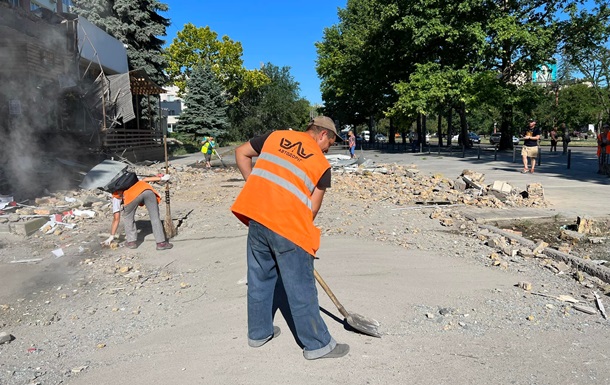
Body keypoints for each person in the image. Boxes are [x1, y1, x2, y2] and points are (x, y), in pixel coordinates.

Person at [230, 116, 349, 360]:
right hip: (288, 227)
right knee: (301, 286)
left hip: (257, 217)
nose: (327, 149)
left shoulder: (275, 137)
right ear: (323, 135)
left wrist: (255, 188)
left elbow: (241, 152)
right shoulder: (321, 165)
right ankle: (318, 345)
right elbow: (312, 210)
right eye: (330, 143)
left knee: (260, 278)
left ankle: (259, 333)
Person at [102, 175, 173, 250]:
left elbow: (116, 219)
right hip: (147, 191)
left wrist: (111, 236)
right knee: (155, 217)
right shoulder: (131, 181)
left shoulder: (115, 195)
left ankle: (131, 242)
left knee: (127, 217)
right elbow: (146, 179)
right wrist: (162, 178)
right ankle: (161, 243)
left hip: (131, 197)